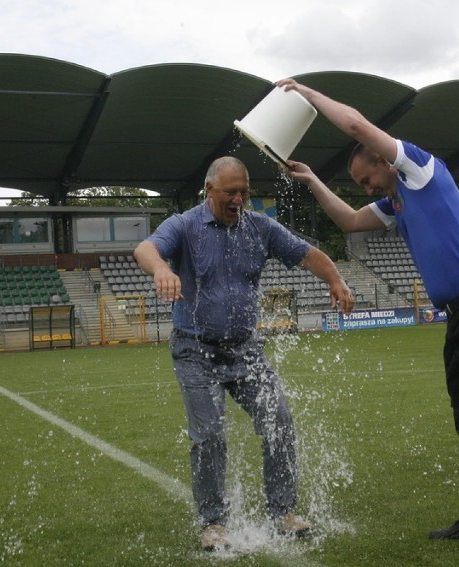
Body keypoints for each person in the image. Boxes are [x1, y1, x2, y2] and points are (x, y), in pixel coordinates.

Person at [276, 79, 459, 559]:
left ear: (382, 157)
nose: (365, 187)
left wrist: (308, 96)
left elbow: (353, 122)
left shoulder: (418, 170)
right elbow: (350, 222)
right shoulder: (397, 202)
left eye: (366, 176)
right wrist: (313, 182)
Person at [133, 156, 355, 552]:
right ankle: (214, 523)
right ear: (209, 190)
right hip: (195, 350)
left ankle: (283, 512)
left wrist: (336, 280)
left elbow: (308, 254)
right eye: (230, 192)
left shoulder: (260, 228)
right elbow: (146, 248)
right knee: (210, 437)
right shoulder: (184, 225)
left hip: (247, 350)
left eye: (244, 192)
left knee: (280, 423)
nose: (238, 199)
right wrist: (162, 271)